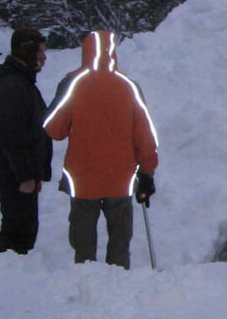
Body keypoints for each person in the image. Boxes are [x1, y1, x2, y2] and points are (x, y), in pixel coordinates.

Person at [43, 30, 158, 269]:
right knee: (120, 241)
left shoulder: (73, 84)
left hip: (82, 179)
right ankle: (118, 283)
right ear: (113, 51)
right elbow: (145, 137)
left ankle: (87, 283)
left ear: (84, 51)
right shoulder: (129, 87)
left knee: (83, 241)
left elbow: (54, 129)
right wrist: (147, 172)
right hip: (121, 178)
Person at [0, 28, 53, 255]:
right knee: (17, 231)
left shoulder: (22, 83)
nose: (44, 57)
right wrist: (25, 176)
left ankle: (12, 278)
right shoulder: (12, 86)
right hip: (13, 174)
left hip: (21, 173)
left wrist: (36, 172)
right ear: (27, 51)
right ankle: (7, 281)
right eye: (40, 51)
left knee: (24, 229)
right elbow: (11, 136)